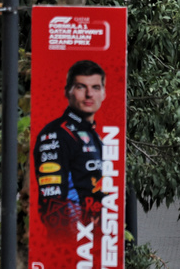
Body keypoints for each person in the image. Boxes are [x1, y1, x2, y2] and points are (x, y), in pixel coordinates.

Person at [32, 60, 107, 233]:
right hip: (77, 245)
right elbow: (53, 205)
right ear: (68, 92)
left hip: (96, 241)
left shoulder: (93, 135)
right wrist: (72, 246)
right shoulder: (56, 133)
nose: (89, 94)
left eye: (95, 87)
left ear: (103, 93)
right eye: (81, 87)